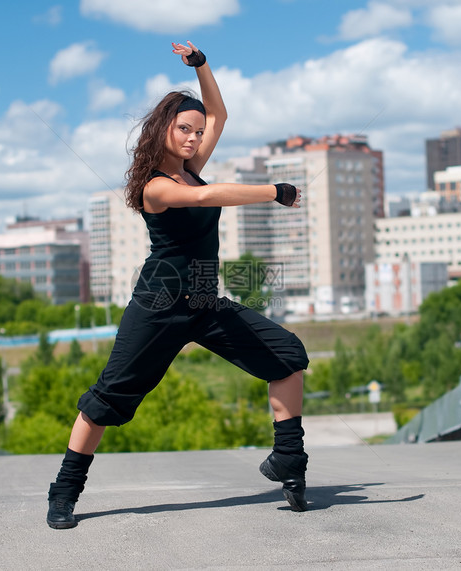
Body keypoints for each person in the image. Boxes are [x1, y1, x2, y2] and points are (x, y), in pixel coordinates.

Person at [47, 41, 310, 529]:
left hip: (205, 297)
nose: (193, 138)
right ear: (162, 131)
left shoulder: (189, 167)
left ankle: (288, 462)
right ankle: (63, 493)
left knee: (287, 355)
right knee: (108, 400)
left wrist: (201, 65)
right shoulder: (156, 185)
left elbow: (220, 115)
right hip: (160, 301)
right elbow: (209, 195)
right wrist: (274, 191)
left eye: (196, 131)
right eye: (183, 129)